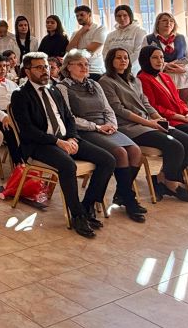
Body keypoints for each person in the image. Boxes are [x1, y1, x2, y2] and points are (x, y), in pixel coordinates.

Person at [10, 52, 115, 238]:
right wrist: (57, 141)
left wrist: (72, 138)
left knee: (107, 160)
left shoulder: (54, 90)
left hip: (66, 139)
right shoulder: (20, 95)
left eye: (46, 66)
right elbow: (27, 131)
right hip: (40, 144)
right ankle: (77, 215)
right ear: (27, 71)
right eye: (39, 67)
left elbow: (69, 119)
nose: (45, 71)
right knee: (67, 165)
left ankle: (87, 205)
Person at [100, 47, 188, 202]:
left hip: (150, 123)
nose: (123, 60)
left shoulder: (134, 80)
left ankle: (161, 178)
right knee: (175, 146)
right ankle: (171, 184)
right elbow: (119, 110)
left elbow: (146, 104)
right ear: (110, 61)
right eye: (118, 58)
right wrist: (150, 123)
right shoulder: (106, 81)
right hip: (130, 127)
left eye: (125, 57)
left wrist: (159, 120)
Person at [57, 49, 145, 222]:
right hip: (85, 130)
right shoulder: (62, 88)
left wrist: (112, 125)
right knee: (120, 153)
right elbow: (69, 118)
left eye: (86, 64)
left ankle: (123, 194)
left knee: (135, 151)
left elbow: (108, 109)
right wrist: (97, 127)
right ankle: (128, 199)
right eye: (79, 64)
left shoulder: (95, 84)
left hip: (105, 127)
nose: (84, 67)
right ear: (68, 67)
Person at [137, 45, 188, 192]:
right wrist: (181, 117)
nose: (160, 61)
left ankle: (186, 177)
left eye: (162, 57)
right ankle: (169, 176)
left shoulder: (165, 76)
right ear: (146, 59)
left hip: (181, 118)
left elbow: (178, 101)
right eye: (155, 57)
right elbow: (154, 107)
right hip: (166, 121)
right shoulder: (142, 79)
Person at [143, 12, 188, 103]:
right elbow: (144, 60)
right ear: (157, 23)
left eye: (171, 21)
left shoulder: (182, 38)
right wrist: (164, 66)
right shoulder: (148, 39)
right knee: (165, 108)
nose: (168, 23)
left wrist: (183, 69)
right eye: (164, 20)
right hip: (161, 79)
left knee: (183, 107)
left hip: (182, 80)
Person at [103, 5, 146, 73]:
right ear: (115, 18)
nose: (122, 18)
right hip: (113, 70)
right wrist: (112, 65)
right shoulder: (110, 35)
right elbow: (105, 53)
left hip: (132, 70)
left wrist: (124, 65)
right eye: (119, 16)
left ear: (130, 16)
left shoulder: (140, 32)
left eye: (125, 15)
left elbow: (138, 52)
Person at [67, 5, 106, 80]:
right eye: (77, 16)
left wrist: (75, 53)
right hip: (77, 70)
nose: (79, 18)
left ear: (89, 14)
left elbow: (90, 50)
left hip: (94, 70)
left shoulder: (100, 28)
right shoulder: (76, 33)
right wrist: (80, 32)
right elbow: (69, 50)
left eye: (82, 15)